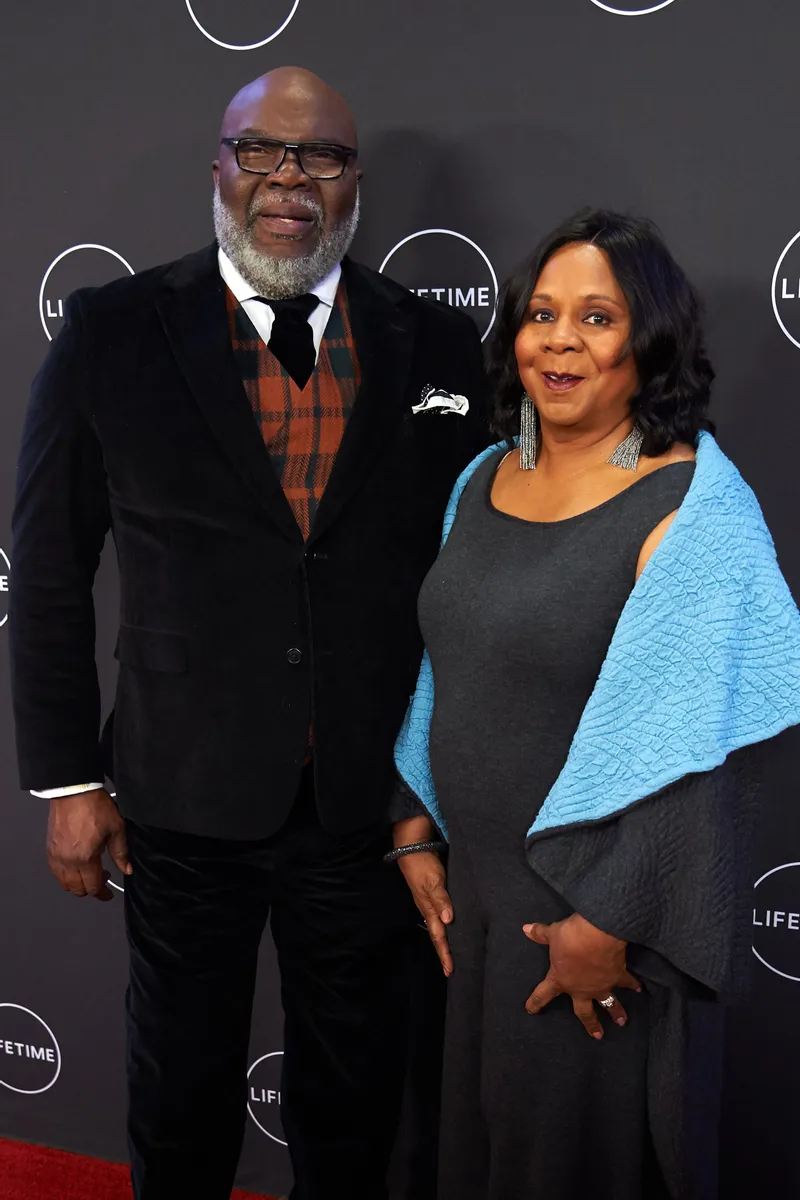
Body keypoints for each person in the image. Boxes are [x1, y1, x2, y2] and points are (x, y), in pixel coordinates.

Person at [10, 67, 488, 1200]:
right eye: (261, 152)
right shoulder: (110, 333)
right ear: (218, 169)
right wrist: (67, 782)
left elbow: (473, 569)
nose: (290, 179)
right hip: (179, 795)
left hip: (366, 805)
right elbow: (47, 571)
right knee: (176, 1093)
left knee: (354, 1102)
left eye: (319, 156)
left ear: (353, 180)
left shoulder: (430, 343)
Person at [389, 209, 800, 1200]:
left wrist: (606, 917)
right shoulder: (482, 475)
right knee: (482, 1154)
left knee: (574, 1167)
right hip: (481, 899)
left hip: (588, 929)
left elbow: (700, 750)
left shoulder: (695, 506)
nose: (558, 339)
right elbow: (452, 660)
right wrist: (413, 818)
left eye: (596, 317)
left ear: (647, 345)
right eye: (540, 313)